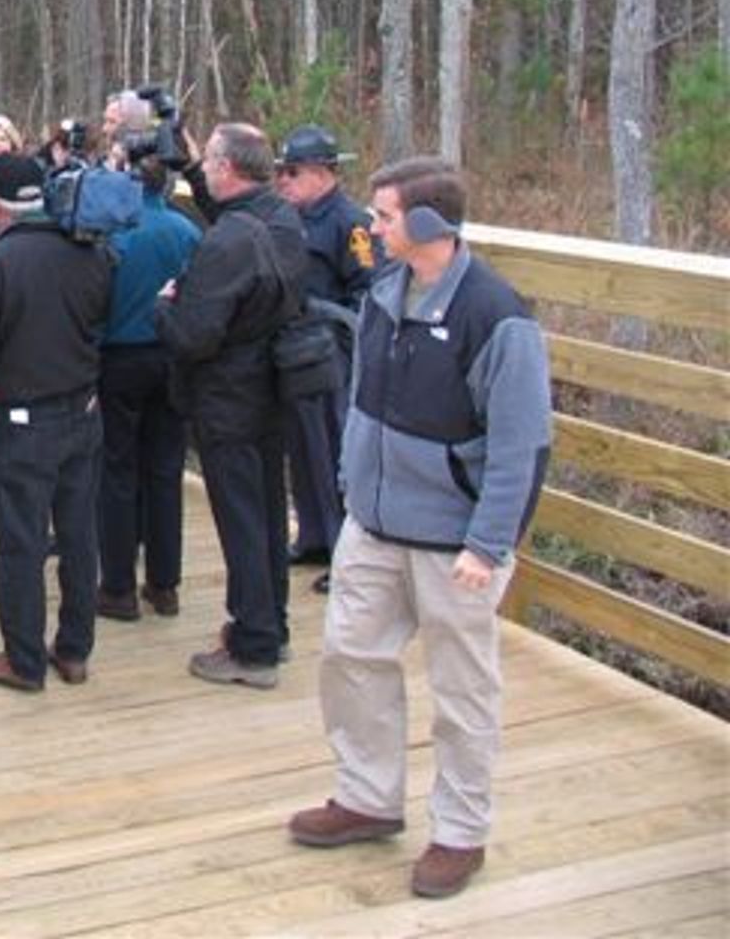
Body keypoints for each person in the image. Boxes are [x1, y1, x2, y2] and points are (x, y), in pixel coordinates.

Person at [289, 157, 551, 901]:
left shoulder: (497, 318)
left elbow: (521, 446)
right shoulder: (384, 293)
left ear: (430, 224)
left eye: (386, 216)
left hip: (455, 543)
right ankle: (369, 797)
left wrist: (488, 544)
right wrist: (349, 484)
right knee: (349, 657)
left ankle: (460, 831)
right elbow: (363, 405)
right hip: (372, 526)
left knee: (462, 691)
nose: (371, 227)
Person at [0, 154, 114, 692]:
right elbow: (102, 319)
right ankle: (75, 649)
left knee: (21, 540)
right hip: (84, 411)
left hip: (22, 421)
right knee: (79, 533)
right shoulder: (93, 253)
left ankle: (23, 660)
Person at [156, 123, 310, 690]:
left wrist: (163, 307)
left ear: (229, 168)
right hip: (272, 387)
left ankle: (252, 647)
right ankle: (273, 626)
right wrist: (195, 173)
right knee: (267, 511)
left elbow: (193, 335)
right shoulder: (281, 219)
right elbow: (236, 224)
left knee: (242, 519)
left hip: (227, 397)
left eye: (212, 161)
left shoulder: (226, 244)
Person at [95, 136, 201, 620]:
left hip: (119, 360)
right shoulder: (186, 231)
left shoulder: (114, 234)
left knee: (117, 471)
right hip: (172, 360)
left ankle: (117, 586)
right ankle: (164, 584)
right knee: (165, 470)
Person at [274, 124, 378, 585]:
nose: (283, 180)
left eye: (292, 172)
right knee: (301, 447)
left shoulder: (350, 223)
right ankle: (313, 536)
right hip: (296, 349)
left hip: (331, 351)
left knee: (333, 450)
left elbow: (369, 290)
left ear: (322, 173)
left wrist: (333, 323)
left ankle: (344, 553)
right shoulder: (292, 216)